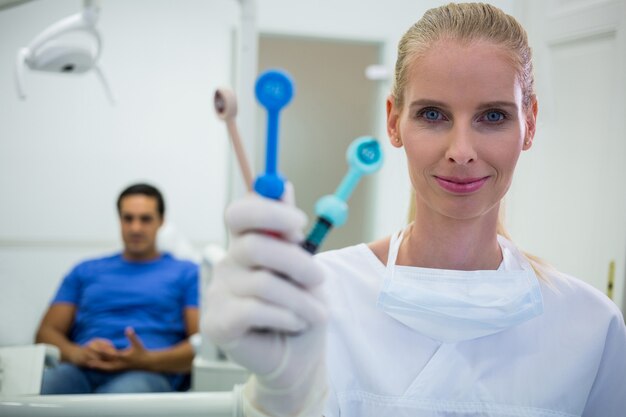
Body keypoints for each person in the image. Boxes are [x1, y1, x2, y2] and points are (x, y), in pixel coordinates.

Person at [203, 3, 626, 417]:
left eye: (493, 116)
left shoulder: (590, 326)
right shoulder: (320, 295)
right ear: (393, 121)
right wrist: (278, 397)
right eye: (432, 114)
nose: (461, 152)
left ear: (529, 123)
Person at [37, 183, 199, 394]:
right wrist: (76, 353)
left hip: (148, 373)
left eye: (145, 219)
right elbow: (46, 333)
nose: (135, 228)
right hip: (80, 369)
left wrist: (147, 360)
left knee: (118, 405)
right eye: (128, 218)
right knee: (36, 392)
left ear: (161, 221)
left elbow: (201, 345)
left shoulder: (187, 273)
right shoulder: (85, 270)